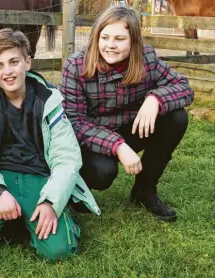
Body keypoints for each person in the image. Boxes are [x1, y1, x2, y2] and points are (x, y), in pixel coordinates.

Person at [0, 28, 101, 261]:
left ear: (27, 62)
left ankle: (52, 216)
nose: (8, 72)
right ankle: (3, 216)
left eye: (14, 62)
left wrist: (51, 201)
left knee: (58, 251)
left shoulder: (49, 99)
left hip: (40, 178)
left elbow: (67, 158)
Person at [60, 5, 194, 222]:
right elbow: (74, 122)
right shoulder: (76, 66)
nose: (110, 45)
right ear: (96, 37)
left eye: (120, 39)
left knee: (176, 117)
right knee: (102, 173)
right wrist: (117, 146)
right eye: (105, 37)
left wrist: (155, 99)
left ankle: (145, 190)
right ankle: (77, 189)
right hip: (91, 138)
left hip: (130, 127)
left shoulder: (146, 58)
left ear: (133, 42)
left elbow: (183, 86)